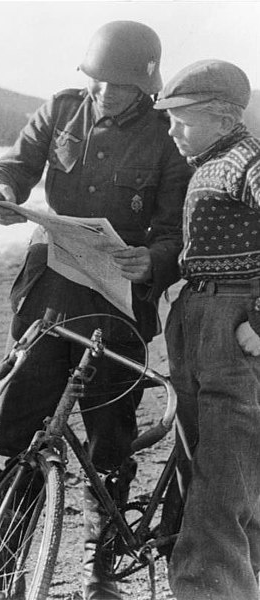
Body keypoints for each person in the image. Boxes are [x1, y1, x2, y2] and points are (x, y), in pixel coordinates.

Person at [0, 21, 190, 600]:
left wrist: (154, 260)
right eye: (96, 81)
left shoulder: (168, 138)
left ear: (146, 86)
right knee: (21, 424)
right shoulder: (61, 110)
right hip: (50, 298)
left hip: (120, 305)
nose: (103, 93)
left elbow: (173, 232)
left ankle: (102, 568)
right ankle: (2, 567)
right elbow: (12, 165)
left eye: (117, 85)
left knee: (109, 437)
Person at [154, 59, 260, 600]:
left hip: (232, 325)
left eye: (182, 120)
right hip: (198, 318)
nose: (171, 132)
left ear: (222, 119)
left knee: (221, 475)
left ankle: (208, 588)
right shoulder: (211, 161)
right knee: (212, 462)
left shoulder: (247, 161)